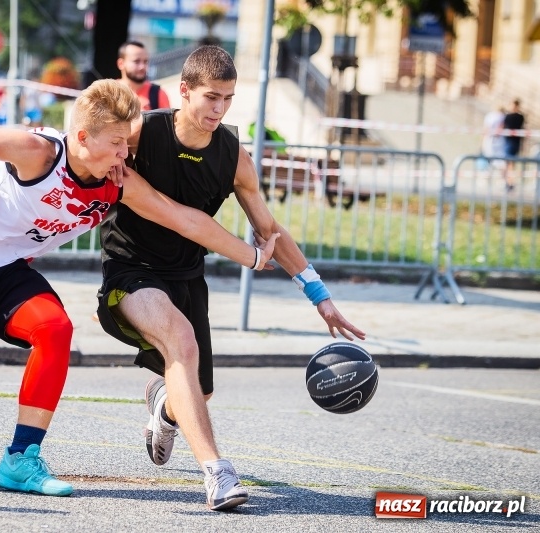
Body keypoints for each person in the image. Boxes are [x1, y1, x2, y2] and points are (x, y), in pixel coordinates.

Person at [0, 79, 280, 499]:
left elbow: (183, 219)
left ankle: (20, 459)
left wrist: (253, 256)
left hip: (5, 271)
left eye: (127, 142)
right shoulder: (36, 153)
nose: (126, 153)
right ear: (83, 137)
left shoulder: (117, 181)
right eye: (117, 143)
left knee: (55, 329)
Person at [96, 46, 366, 511]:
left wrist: (319, 295)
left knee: (199, 392)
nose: (218, 109)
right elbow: (87, 151)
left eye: (227, 99)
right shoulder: (143, 132)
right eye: (211, 97)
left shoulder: (234, 157)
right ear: (185, 91)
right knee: (181, 343)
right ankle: (218, 474)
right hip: (130, 268)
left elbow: (269, 230)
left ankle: (164, 407)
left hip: (187, 275)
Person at [116, 41, 170, 111]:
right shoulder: (109, 92)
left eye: (145, 61)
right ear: (121, 64)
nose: (142, 67)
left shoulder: (158, 94)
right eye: (136, 61)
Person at [502, 98, 525, 191]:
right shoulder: (520, 117)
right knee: (510, 163)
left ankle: (509, 183)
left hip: (512, 143)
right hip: (512, 142)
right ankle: (508, 182)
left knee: (509, 163)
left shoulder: (511, 116)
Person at [480, 106, 505, 170]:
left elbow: (485, 129)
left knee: (490, 160)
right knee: (499, 162)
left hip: (489, 140)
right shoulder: (502, 116)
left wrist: (482, 142)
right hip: (498, 141)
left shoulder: (490, 116)